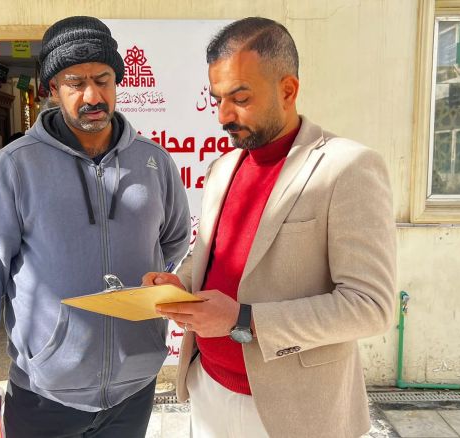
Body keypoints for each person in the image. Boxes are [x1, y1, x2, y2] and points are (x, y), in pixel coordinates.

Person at [144, 17, 396, 438]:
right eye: (217, 99)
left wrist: (244, 318)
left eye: (240, 98)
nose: (223, 115)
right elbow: (209, 255)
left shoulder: (348, 168)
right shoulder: (223, 168)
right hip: (207, 387)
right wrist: (179, 283)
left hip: (294, 410)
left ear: (288, 90)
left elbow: (371, 306)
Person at [0, 16, 190, 438]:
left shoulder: (153, 161)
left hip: (134, 388)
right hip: (44, 393)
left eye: (103, 80)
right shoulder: (16, 166)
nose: (92, 95)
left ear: (117, 82)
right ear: (53, 89)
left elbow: (173, 241)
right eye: (75, 83)